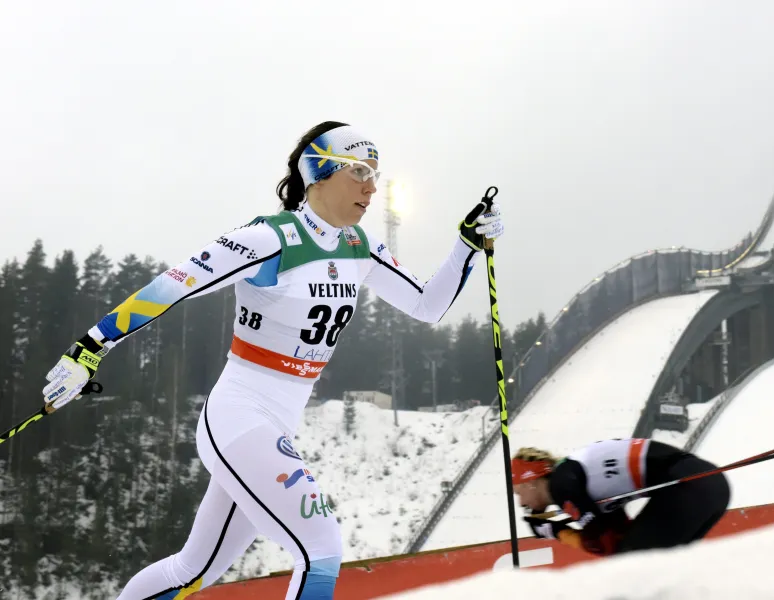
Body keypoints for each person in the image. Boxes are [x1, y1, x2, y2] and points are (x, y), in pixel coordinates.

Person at [41, 121, 505, 599]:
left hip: (276, 425)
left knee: (192, 569)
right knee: (321, 552)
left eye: (376, 173)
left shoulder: (360, 246)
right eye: (360, 171)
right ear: (318, 172)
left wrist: (466, 245)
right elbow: (172, 287)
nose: (371, 185)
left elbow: (427, 306)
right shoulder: (270, 239)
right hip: (239, 417)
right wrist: (89, 349)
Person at [512, 438, 730, 556]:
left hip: (689, 488)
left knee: (630, 567)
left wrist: (556, 531)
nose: (521, 503)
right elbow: (617, 539)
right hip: (711, 486)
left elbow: (605, 547)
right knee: (655, 570)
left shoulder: (562, 486)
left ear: (531, 482)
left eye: (519, 492)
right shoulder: (576, 478)